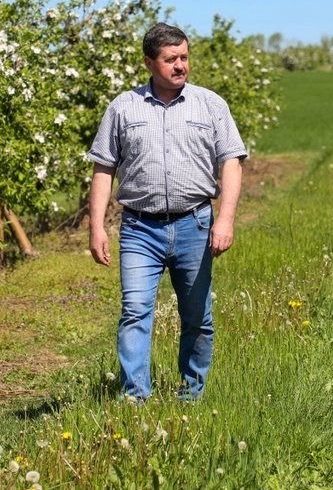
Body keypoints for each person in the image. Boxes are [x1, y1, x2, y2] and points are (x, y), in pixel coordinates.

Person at [87, 22, 246, 402]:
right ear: (149, 62)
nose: (180, 65)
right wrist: (96, 227)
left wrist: (225, 219)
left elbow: (232, 161)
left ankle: (191, 396)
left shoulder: (210, 104)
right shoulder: (123, 107)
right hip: (140, 228)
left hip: (195, 224)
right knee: (134, 312)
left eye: (184, 57)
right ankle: (134, 398)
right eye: (170, 59)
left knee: (197, 318)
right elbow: (104, 168)